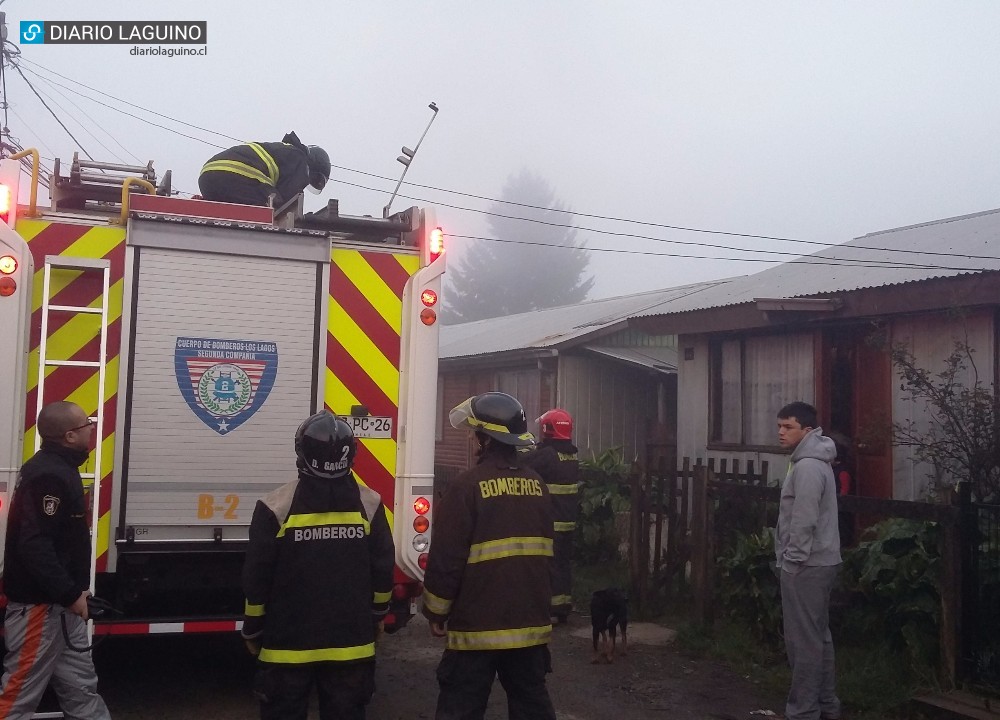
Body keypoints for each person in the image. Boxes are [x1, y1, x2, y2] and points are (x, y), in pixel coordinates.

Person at [241, 411, 394, 720]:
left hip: (286, 648)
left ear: (301, 453)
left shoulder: (274, 507)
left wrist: (253, 629)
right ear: (350, 456)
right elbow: (382, 569)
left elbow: (257, 578)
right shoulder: (371, 504)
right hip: (352, 647)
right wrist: (378, 617)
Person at [423, 392, 556, 720]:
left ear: (485, 439)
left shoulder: (466, 487)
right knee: (532, 706)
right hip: (529, 628)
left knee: (461, 708)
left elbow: (446, 559)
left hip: (476, 632)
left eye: (473, 433)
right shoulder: (538, 485)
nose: (470, 440)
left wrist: (436, 612)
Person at [0, 401, 112, 720]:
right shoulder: (50, 475)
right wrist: (67, 594)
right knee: (19, 695)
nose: (92, 427)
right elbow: (34, 545)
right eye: (86, 424)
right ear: (69, 436)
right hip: (42, 609)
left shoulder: (58, 469)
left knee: (80, 687)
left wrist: (73, 595)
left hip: (61, 607)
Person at [775, 401, 842, 720]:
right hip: (819, 562)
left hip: (807, 566)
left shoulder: (808, 467)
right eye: (779, 426)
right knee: (818, 638)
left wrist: (792, 561)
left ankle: (803, 711)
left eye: (788, 427)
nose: (780, 432)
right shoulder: (812, 462)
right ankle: (826, 706)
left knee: (803, 643)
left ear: (807, 430)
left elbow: (804, 520)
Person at [522, 408, 580, 623]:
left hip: (551, 522)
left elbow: (524, 464)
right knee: (563, 564)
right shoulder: (571, 454)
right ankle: (563, 605)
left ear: (548, 430)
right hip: (568, 521)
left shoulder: (547, 455)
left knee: (549, 565)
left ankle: (551, 609)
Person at [198, 131, 331, 207]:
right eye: (313, 178)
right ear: (312, 164)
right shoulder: (299, 159)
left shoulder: (284, 152)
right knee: (272, 208)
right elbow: (288, 199)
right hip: (234, 176)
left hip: (208, 177)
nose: (307, 180)